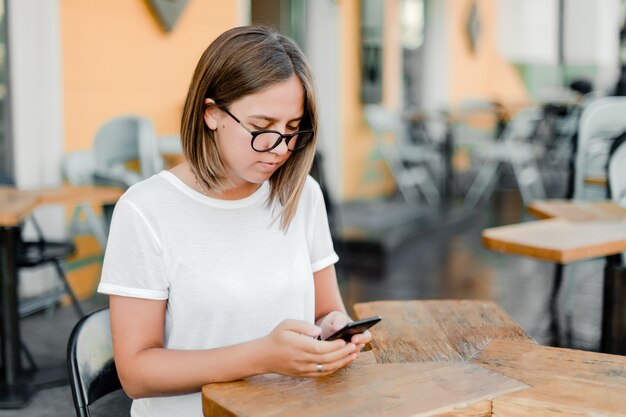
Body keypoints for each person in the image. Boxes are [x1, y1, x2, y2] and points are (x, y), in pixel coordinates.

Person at [97, 26, 372, 417]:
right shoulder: (146, 209)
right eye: (261, 128)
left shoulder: (300, 195)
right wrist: (262, 356)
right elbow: (137, 373)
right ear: (211, 113)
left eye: (293, 129)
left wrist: (334, 332)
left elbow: (325, 312)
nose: (280, 149)